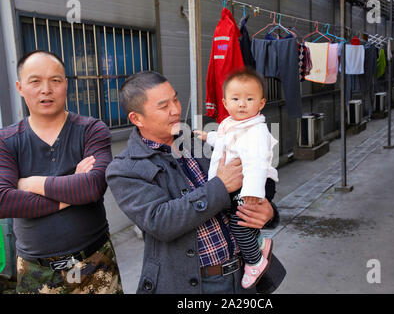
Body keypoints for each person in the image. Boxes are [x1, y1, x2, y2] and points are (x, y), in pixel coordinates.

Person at [106, 71, 285, 294]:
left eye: (175, 99)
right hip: (195, 285)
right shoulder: (125, 168)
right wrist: (219, 187)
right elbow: (160, 222)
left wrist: (268, 212)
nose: (175, 110)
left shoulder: (198, 143)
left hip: (242, 277)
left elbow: (249, 180)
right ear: (137, 118)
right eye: (164, 106)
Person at [0, 50, 123, 294]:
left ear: (66, 85)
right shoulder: (7, 140)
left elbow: (93, 187)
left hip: (95, 264)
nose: (46, 89)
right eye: (35, 81)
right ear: (20, 87)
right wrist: (72, 186)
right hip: (35, 272)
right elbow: (3, 201)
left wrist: (29, 183)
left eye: (55, 80)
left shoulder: (91, 130)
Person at [193, 67, 278, 289]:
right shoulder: (230, 124)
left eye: (249, 99)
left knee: (239, 222)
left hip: (256, 182)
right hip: (243, 183)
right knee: (235, 217)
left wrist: (252, 192)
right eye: (236, 98)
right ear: (225, 102)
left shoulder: (256, 130)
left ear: (261, 103)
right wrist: (207, 136)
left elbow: (257, 164)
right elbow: (224, 140)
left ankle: (255, 261)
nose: (242, 104)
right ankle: (259, 242)